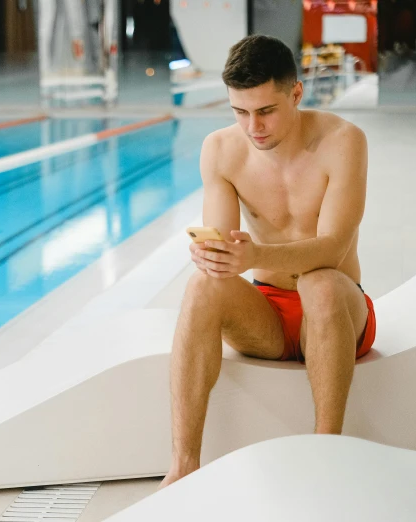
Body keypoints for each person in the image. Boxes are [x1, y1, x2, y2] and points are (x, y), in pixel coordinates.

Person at [159, 35, 377, 489]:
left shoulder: (342, 141)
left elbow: (333, 248)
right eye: (240, 112)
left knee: (318, 282)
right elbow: (221, 252)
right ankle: (183, 467)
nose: (252, 127)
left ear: (296, 93)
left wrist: (255, 254)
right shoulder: (221, 150)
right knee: (202, 285)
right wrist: (213, 255)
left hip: (339, 307)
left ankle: (326, 454)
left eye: (265, 111)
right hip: (270, 315)